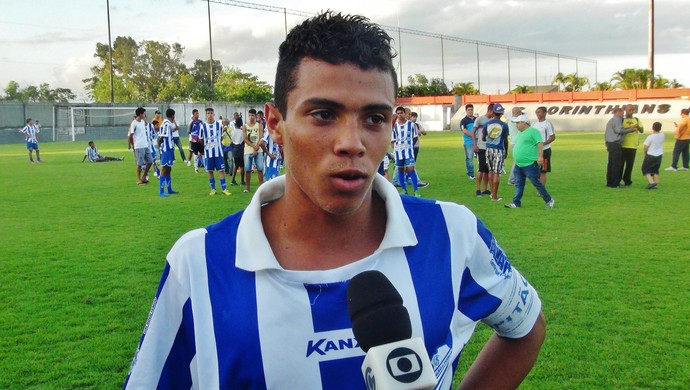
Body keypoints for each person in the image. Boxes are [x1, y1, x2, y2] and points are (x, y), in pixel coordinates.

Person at [124, 12, 545, 390]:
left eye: (374, 119)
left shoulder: (452, 233)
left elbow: (525, 327)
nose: (352, 143)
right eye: (324, 115)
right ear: (275, 123)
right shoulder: (198, 262)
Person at [504, 114, 554, 209]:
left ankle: (549, 200)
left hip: (530, 163)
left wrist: (540, 157)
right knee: (519, 183)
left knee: (536, 183)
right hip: (519, 164)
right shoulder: (520, 133)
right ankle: (516, 203)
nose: (516, 125)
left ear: (524, 123)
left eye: (518, 123)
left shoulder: (533, 132)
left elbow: (539, 143)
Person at [199, 107, 232, 196]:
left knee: (221, 170)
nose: (210, 115)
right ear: (206, 115)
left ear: (213, 114)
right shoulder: (203, 127)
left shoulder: (218, 125)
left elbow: (220, 137)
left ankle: (224, 189)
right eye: (208, 113)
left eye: (211, 113)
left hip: (218, 152)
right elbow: (201, 139)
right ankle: (213, 189)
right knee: (210, 171)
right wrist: (207, 146)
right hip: (208, 153)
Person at [482, 103, 509, 201]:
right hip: (498, 149)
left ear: (493, 112)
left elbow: (483, 138)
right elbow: (505, 140)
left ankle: (491, 193)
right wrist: (506, 151)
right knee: (497, 173)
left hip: (488, 149)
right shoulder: (504, 125)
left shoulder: (487, 124)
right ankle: (494, 195)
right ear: (501, 113)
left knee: (490, 171)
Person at [392, 106, 421, 197]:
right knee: (400, 169)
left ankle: (416, 191)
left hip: (408, 150)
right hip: (398, 151)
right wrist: (395, 149)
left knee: (411, 169)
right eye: (398, 113)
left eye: (401, 113)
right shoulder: (394, 126)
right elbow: (392, 140)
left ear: (405, 113)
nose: (399, 115)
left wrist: (410, 147)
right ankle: (404, 190)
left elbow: (415, 137)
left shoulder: (411, 125)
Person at [604, 107, 636, 188]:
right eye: (622, 113)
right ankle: (615, 184)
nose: (623, 115)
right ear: (618, 112)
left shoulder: (612, 120)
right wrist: (631, 130)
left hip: (610, 143)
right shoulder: (617, 120)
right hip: (615, 144)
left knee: (611, 164)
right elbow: (619, 130)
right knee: (616, 164)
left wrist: (628, 128)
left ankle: (610, 182)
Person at [157, 109, 180, 197]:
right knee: (164, 169)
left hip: (169, 149)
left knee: (169, 169)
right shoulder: (166, 124)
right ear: (173, 115)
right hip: (166, 150)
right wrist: (160, 151)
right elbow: (160, 138)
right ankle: (161, 191)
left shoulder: (167, 124)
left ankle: (169, 189)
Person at [473, 103, 494, 196]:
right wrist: (475, 145)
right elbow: (473, 132)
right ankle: (478, 189)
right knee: (481, 169)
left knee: (487, 169)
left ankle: (484, 189)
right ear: (490, 110)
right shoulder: (480, 119)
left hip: (490, 147)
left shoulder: (493, 120)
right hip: (481, 147)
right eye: (494, 111)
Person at [128, 107, 153, 185]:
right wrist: (133, 145)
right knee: (139, 163)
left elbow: (146, 124)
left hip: (145, 145)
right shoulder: (134, 123)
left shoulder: (142, 122)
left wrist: (144, 119)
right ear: (141, 114)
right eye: (144, 113)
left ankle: (144, 176)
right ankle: (138, 179)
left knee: (150, 161)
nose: (145, 115)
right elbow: (130, 136)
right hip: (139, 146)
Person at [621, 104, 644, 186]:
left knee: (630, 165)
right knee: (620, 165)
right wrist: (631, 128)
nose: (631, 112)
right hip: (623, 146)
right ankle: (618, 179)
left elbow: (642, 130)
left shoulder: (636, 119)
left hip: (633, 146)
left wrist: (638, 127)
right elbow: (620, 130)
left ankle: (627, 180)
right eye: (629, 110)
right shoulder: (622, 120)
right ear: (625, 110)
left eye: (633, 110)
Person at [242, 108, 265, 193]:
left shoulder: (259, 125)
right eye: (249, 115)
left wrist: (257, 147)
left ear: (255, 116)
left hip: (258, 149)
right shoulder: (245, 126)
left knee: (260, 168)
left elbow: (261, 136)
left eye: (252, 115)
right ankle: (247, 187)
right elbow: (244, 138)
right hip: (248, 150)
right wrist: (253, 147)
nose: (251, 117)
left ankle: (260, 187)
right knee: (247, 169)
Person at [532, 106, 555, 185]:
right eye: (536, 112)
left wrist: (542, 143)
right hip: (535, 150)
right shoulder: (534, 124)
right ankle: (539, 187)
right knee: (535, 170)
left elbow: (552, 137)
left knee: (543, 171)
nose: (537, 114)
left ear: (545, 113)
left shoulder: (547, 124)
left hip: (545, 150)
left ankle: (542, 190)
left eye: (539, 112)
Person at [641, 122, 664, 189]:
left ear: (652, 127)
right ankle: (655, 183)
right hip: (659, 154)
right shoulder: (662, 135)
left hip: (651, 154)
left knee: (645, 169)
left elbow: (645, 147)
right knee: (655, 169)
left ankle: (651, 182)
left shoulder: (650, 137)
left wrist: (645, 152)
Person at [507, 106, 523, 185]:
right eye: (520, 112)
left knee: (519, 161)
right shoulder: (515, 120)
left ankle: (517, 178)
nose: (521, 114)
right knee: (517, 161)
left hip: (514, 142)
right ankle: (511, 179)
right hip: (516, 143)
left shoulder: (510, 119)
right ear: (516, 112)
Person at [460, 104, 476, 180]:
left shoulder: (477, 119)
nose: (470, 111)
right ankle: (471, 174)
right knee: (469, 158)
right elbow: (464, 130)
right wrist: (473, 136)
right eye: (469, 110)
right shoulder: (463, 121)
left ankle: (482, 172)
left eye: (471, 109)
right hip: (468, 142)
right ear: (466, 111)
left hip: (478, 142)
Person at [229, 114, 245, 186]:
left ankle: (233, 180)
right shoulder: (242, 132)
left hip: (234, 150)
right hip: (240, 150)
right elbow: (243, 141)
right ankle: (242, 181)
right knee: (242, 166)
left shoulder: (232, 131)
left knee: (236, 165)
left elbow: (230, 141)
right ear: (241, 124)